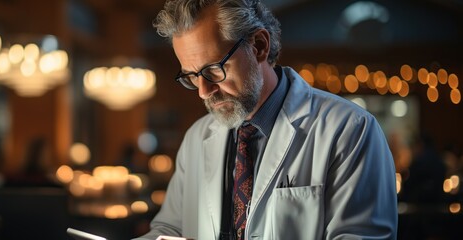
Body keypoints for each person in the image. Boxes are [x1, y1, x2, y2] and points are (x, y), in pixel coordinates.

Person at [136, 0, 398, 239]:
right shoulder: (197, 136)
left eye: (214, 69)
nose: (204, 91)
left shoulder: (350, 130)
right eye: (192, 76)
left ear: (259, 46)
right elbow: (169, 228)